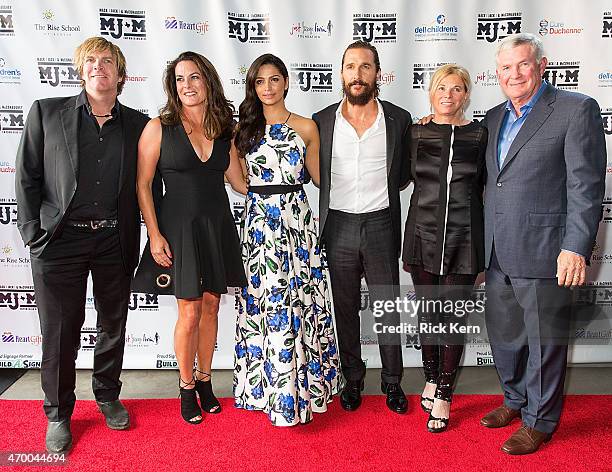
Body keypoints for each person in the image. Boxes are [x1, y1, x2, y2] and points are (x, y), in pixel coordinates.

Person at [15, 37, 148, 453]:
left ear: (120, 74)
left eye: (106, 61)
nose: (97, 67)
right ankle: (58, 413)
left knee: (112, 325)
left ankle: (107, 395)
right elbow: (26, 177)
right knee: (59, 333)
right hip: (59, 241)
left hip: (114, 238)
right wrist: (32, 234)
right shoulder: (47, 112)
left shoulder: (140, 125)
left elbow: (152, 183)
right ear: (80, 70)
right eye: (89, 60)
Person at [480, 33, 606, 454]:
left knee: (544, 341)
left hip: (547, 250)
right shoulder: (494, 118)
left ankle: (540, 420)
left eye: (523, 64)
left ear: (542, 65)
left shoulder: (576, 110)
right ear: (496, 74)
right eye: (505, 68)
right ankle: (515, 401)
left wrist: (575, 247)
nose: (514, 74)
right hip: (498, 250)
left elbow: (585, 187)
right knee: (505, 337)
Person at [132, 51, 247, 425]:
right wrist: (154, 233)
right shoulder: (159, 126)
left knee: (211, 306)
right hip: (178, 229)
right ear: (173, 86)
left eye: (194, 77)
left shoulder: (223, 127)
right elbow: (143, 184)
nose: (187, 86)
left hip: (216, 226)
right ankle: (184, 386)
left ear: (207, 81)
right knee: (189, 310)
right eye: (180, 79)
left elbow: (240, 182)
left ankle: (204, 381)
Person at [233, 53, 341, 426]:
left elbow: (317, 178)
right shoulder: (242, 129)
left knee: (301, 303)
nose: (268, 88)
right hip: (261, 225)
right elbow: (238, 180)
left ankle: (306, 390)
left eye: (274, 79)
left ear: (286, 82)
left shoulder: (307, 127)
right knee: (266, 305)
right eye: (260, 81)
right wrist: (261, 202)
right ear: (253, 86)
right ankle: (272, 393)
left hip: (298, 222)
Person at [312, 41, 411, 414]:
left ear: (377, 74)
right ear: (341, 74)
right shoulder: (321, 120)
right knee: (345, 307)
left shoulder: (398, 119)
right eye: (350, 67)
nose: (357, 74)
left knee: (387, 308)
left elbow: (402, 175)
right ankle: (352, 378)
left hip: (381, 223)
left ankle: (392, 382)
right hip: (336, 225)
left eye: (365, 67)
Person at [402, 64, 487, 432]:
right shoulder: (415, 132)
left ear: (466, 94)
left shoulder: (481, 135)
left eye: (456, 88)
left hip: (465, 236)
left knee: (452, 318)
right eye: (441, 87)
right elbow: (401, 176)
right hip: (422, 233)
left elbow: (487, 184)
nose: (448, 95)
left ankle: (446, 394)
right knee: (427, 314)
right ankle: (432, 377)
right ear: (431, 92)